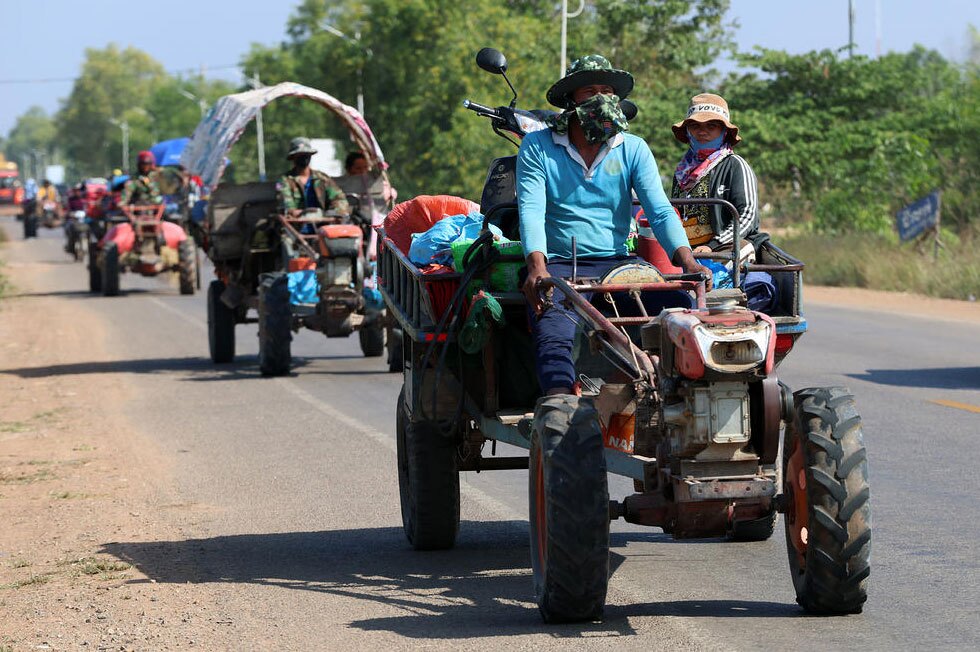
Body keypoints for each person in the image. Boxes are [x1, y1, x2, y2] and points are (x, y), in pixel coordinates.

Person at [517, 54, 712, 396]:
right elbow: (531, 209)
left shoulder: (633, 148)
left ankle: (671, 400)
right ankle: (560, 411)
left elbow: (661, 212)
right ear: (570, 101)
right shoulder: (538, 146)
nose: (600, 99)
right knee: (554, 337)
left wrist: (689, 262)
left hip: (620, 265)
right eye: (589, 90)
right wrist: (536, 267)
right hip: (561, 267)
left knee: (681, 318)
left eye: (607, 91)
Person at [670, 93, 760, 258]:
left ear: (724, 131)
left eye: (711, 126)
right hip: (685, 251)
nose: (702, 132)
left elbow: (747, 215)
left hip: (723, 248)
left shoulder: (735, 165)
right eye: (695, 126)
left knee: (739, 252)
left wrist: (713, 246)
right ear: (688, 131)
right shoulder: (682, 171)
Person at [275, 137, 349, 218]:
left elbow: (339, 198)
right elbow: (286, 204)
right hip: (296, 225)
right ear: (293, 157)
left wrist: (335, 211)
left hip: (322, 224)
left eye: (307, 154)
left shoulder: (322, 178)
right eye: (300, 155)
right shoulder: (285, 180)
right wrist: (296, 212)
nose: (304, 157)